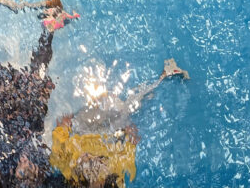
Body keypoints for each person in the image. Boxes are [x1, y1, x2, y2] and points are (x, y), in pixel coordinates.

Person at [0, 9, 78, 188]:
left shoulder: (1, 174)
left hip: (7, 118)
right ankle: (48, 30)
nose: (25, 164)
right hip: (32, 116)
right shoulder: (48, 179)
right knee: (37, 75)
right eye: (30, 174)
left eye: (22, 173)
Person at [50, 59, 189, 188]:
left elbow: (59, 139)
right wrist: (130, 138)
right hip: (108, 137)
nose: (89, 156)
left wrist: (64, 126)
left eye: (86, 158)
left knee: (96, 108)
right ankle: (162, 78)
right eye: (96, 161)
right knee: (126, 110)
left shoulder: (67, 166)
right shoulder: (115, 171)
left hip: (83, 131)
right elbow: (129, 149)